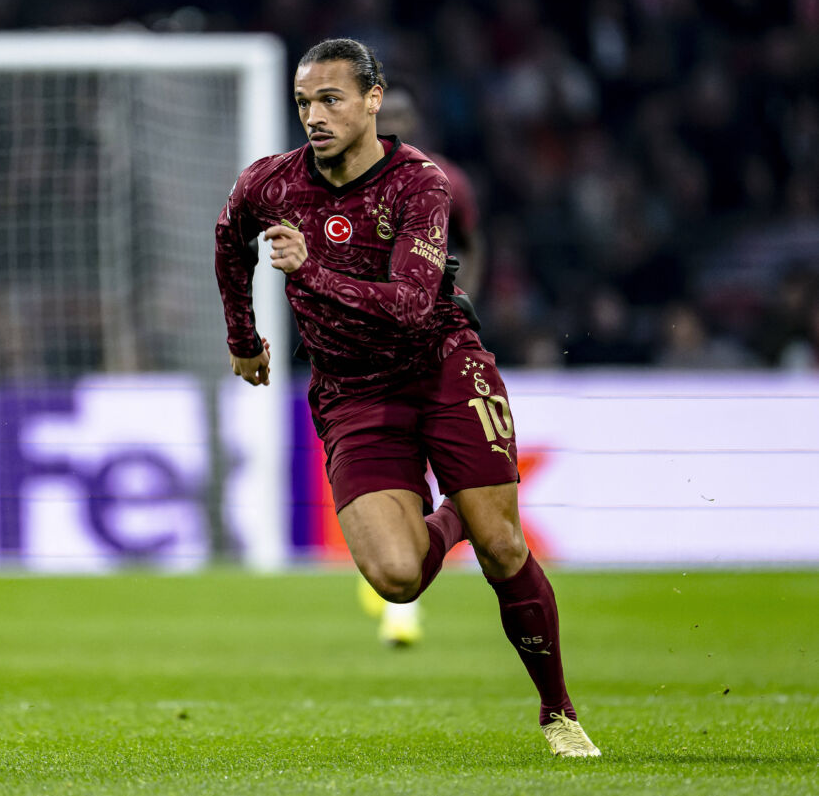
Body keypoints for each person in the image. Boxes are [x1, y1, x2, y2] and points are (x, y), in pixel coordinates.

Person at [214, 37, 600, 758]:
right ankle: (454, 516)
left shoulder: (421, 183)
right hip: (352, 392)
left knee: (505, 544)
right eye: (304, 102)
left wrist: (311, 269)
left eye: (330, 98)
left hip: (442, 367)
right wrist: (244, 336)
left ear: (372, 99)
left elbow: (416, 304)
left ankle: (558, 712)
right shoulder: (270, 183)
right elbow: (227, 237)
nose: (314, 115)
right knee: (395, 579)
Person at [363, 78, 488, 647]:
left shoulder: (445, 181)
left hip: (434, 345)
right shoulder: (340, 177)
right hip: (367, 351)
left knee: (437, 461)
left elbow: (472, 241)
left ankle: (401, 601)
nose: (396, 125)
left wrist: (468, 305)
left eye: (404, 116)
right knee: (385, 472)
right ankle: (398, 598)